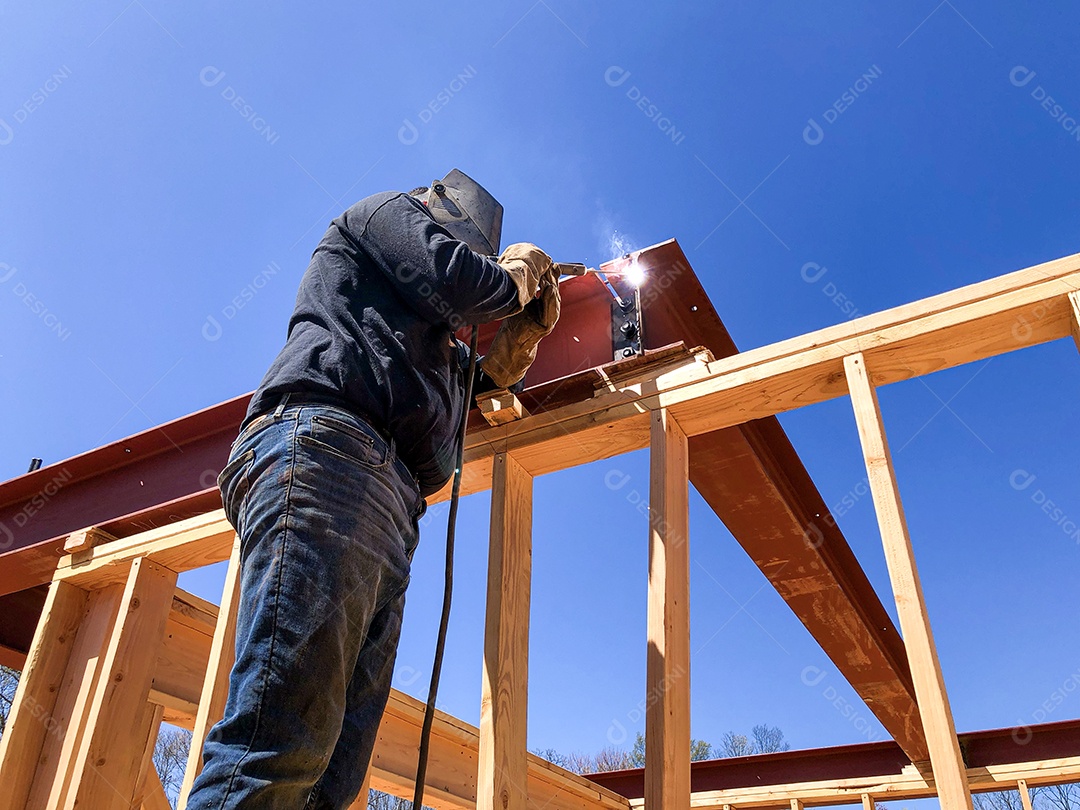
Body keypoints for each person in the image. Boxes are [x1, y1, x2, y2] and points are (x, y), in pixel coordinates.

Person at [186, 170, 560, 809]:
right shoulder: (382, 213)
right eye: (466, 246)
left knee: (330, 780)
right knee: (276, 748)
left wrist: (515, 348)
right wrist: (516, 274)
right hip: (330, 454)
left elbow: (481, 381)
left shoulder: (431, 341)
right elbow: (456, 280)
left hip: (389, 506)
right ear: (434, 214)